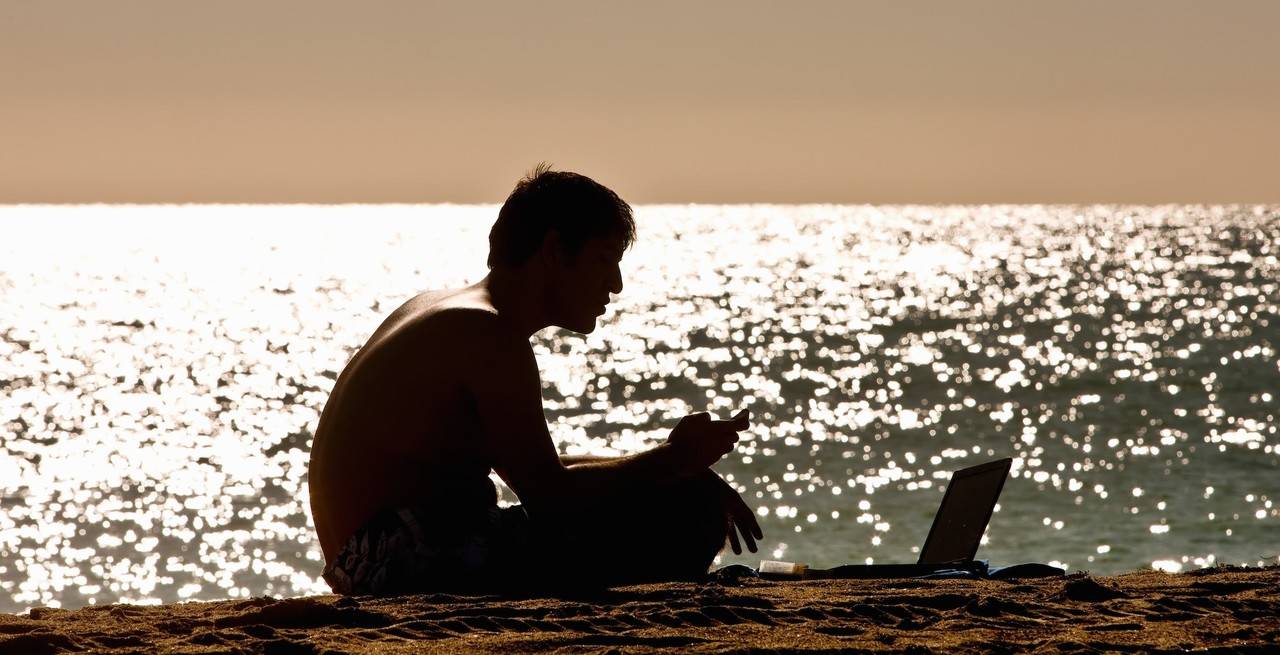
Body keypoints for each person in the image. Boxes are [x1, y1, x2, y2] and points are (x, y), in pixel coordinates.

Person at [308, 164, 763, 594]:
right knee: (689, 513)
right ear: (552, 250)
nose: (617, 284)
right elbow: (552, 497)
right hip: (398, 557)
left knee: (677, 492)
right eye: (604, 259)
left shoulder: (447, 309)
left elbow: (534, 469)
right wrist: (672, 461)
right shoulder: (487, 333)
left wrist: (676, 465)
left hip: (372, 556)